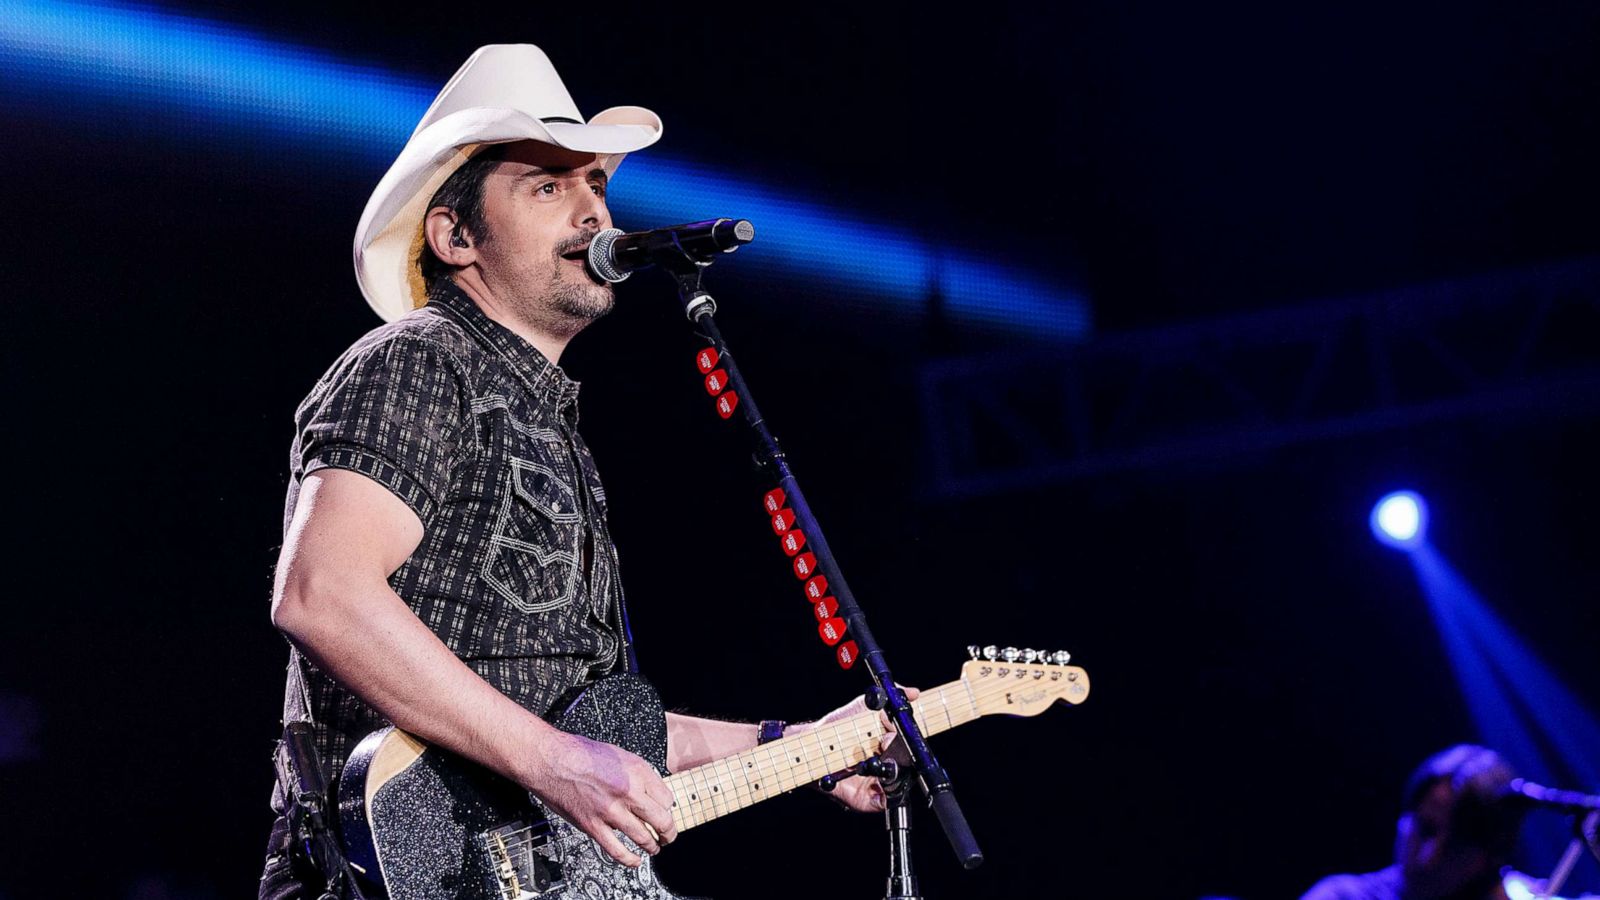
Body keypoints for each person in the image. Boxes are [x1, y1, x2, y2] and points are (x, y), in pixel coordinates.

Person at [258, 44, 898, 898]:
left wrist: (802, 746)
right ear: (454, 236)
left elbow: (592, 728)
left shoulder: (544, 417)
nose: (595, 211)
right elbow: (322, 593)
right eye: (549, 185)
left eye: (597, 183)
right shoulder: (419, 361)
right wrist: (556, 763)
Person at [1301, 745, 1528, 900]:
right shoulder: (1341, 896)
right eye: (1426, 829)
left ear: (1488, 859)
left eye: (1455, 845)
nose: (1429, 858)